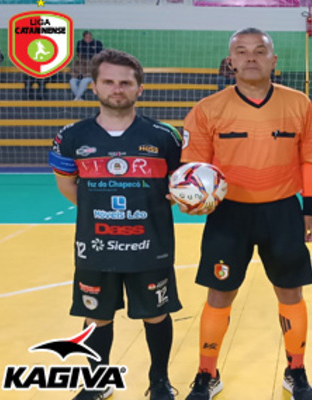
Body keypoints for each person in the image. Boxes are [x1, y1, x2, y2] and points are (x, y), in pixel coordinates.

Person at [180, 27, 312, 400]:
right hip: (229, 215)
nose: (251, 57)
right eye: (241, 52)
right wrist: (193, 198)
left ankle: (297, 370)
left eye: (260, 51)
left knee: (290, 291)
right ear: (231, 62)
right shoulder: (207, 109)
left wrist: (309, 210)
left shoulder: (299, 104)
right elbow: (192, 169)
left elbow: (311, 159)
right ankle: (206, 373)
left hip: (283, 213)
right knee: (219, 293)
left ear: (274, 60)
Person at [48, 49, 183, 400]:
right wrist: (99, 209)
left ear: (140, 88)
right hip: (96, 246)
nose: (117, 88)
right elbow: (67, 185)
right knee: (97, 318)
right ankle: (98, 382)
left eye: (126, 82)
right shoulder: (71, 136)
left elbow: (180, 186)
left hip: (149, 245)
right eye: (108, 81)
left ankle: (159, 382)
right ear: (94, 86)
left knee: (155, 315)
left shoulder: (164, 136)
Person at [70, 31, 103, 100]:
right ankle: (79, 98)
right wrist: (77, 75)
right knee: (72, 81)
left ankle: (77, 98)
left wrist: (84, 75)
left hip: (87, 77)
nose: (89, 39)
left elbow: (92, 73)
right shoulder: (76, 62)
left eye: (90, 37)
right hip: (78, 77)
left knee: (84, 81)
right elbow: (72, 71)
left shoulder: (94, 63)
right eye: (87, 37)